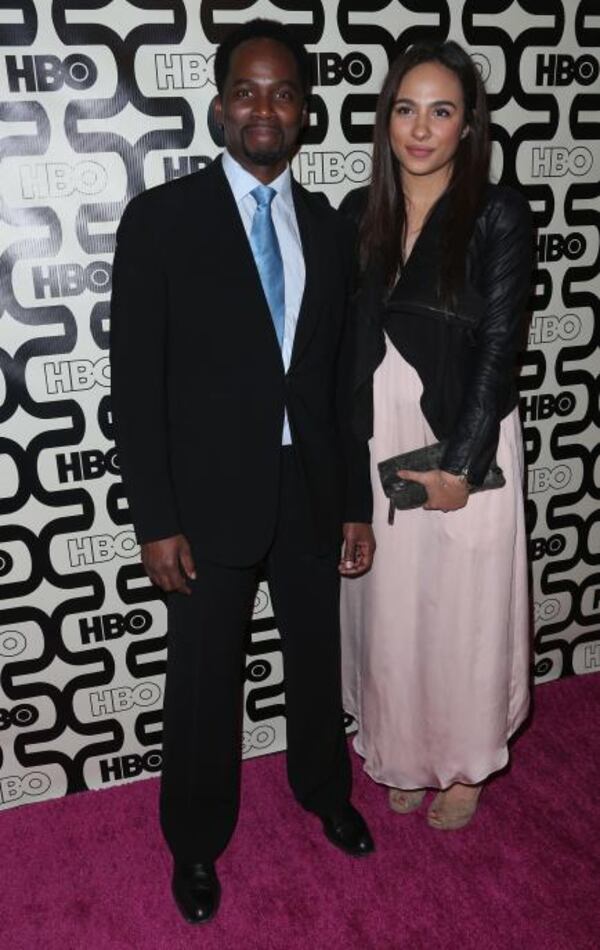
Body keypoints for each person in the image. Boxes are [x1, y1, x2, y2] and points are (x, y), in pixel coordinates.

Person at [110, 18, 376, 926]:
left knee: (315, 660)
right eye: (249, 91)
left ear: (306, 110)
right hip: (204, 504)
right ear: (220, 104)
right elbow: (135, 387)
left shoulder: (329, 229)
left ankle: (323, 792)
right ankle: (193, 842)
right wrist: (155, 518)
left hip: (309, 494)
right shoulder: (161, 220)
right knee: (202, 684)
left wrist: (350, 504)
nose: (266, 107)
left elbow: (342, 382)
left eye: (285, 92)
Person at [340, 40, 532, 831]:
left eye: (441, 110)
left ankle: (463, 758)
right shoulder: (361, 213)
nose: (421, 128)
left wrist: (462, 462)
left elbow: (502, 344)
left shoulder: (496, 211)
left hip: (463, 430)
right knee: (391, 604)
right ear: (386, 120)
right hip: (378, 428)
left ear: (467, 125)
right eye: (405, 108)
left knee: (462, 609)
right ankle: (404, 745)